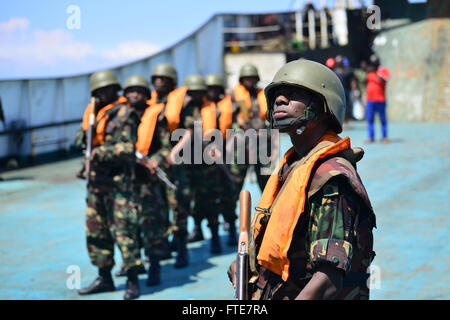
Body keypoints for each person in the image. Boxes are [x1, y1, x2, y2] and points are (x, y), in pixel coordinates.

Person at [227, 59, 377, 300]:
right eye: (277, 94)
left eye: (294, 93)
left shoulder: (330, 178)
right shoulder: (294, 165)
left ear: (323, 106)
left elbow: (328, 280)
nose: (280, 100)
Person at [74, 70, 143, 300]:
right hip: (96, 184)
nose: (105, 93)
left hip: (118, 184)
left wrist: (97, 153)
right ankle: (104, 277)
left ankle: (133, 279)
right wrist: (82, 139)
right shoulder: (94, 115)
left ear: (115, 90)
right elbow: (83, 139)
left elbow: (127, 148)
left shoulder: (126, 113)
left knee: (124, 231)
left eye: (109, 89)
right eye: (100, 91)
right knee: (96, 232)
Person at [123, 74, 172, 286]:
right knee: (126, 227)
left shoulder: (156, 117)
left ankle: (154, 266)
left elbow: (165, 146)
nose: (134, 94)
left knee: (152, 226)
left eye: (139, 91)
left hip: (147, 181)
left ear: (145, 94)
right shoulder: (118, 117)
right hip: (123, 181)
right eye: (130, 91)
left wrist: (155, 161)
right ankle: (131, 266)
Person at [174, 74, 223, 254]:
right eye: (191, 91)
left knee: (209, 201)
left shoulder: (212, 110)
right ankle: (187, 240)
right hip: (186, 164)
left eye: (199, 91)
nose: (195, 95)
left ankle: (215, 237)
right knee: (184, 203)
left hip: (206, 164)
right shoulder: (180, 111)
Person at [188, 73, 236, 247]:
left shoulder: (215, 110)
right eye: (209, 90)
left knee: (225, 197)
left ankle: (229, 229)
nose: (212, 92)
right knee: (200, 200)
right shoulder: (184, 110)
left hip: (217, 161)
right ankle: (204, 231)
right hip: (193, 162)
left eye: (216, 89)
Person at [149, 63, 190, 268]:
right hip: (154, 164)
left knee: (178, 205)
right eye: (156, 78)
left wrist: (175, 152)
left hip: (175, 163)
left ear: (172, 81)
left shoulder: (183, 102)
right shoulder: (150, 103)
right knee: (157, 207)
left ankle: (182, 248)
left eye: (163, 78)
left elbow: (191, 130)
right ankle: (163, 247)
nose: (159, 82)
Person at [231, 63, 271, 197]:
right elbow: (234, 119)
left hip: (262, 145)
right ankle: (230, 216)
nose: (250, 80)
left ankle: (269, 214)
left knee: (267, 182)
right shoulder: (234, 96)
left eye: (252, 77)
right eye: (247, 78)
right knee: (235, 182)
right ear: (241, 79)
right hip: (243, 145)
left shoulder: (262, 94)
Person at [365, 55, 390, 143]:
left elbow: (385, 80)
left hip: (380, 100)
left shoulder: (383, 71)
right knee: (370, 119)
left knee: (383, 119)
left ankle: (384, 136)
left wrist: (377, 72)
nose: (373, 65)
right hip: (370, 100)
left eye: (375, 64)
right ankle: (370, 137)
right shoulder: (369, 73)